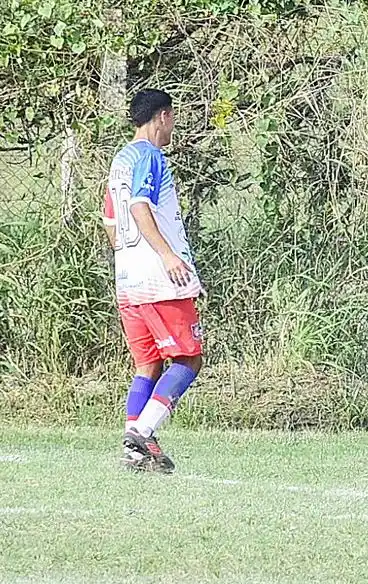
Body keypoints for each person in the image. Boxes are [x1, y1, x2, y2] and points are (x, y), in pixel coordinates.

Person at [102, 89, 204, 473]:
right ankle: (143, 432)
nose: (173, 126)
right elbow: (140, 206)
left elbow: (111, 222)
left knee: (148, 364)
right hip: (159, 279)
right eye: (173, 118)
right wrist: (165, 255)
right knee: (188, 358)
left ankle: (133, 451)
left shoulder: (120, 160)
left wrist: (129, 259)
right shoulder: (148, 155)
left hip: (127, 280)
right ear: (163, 116)